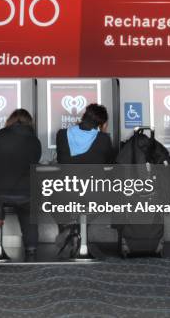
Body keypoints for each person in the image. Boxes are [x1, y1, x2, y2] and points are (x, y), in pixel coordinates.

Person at [0, 109, 42, 260]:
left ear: (10, 121)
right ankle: (31, 250)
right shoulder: (34, 141)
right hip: (26, 192)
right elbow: (35, 162)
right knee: (29, 213)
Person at [54, 104, 114, 256]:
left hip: (66, 192)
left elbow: (61, 160)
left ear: (84, 116)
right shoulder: (103, 139)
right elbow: (109, 161)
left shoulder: (62, 134)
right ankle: (80, 231)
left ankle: (73, 228)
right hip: (95, 194)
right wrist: (103, 133)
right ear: (101, 124)